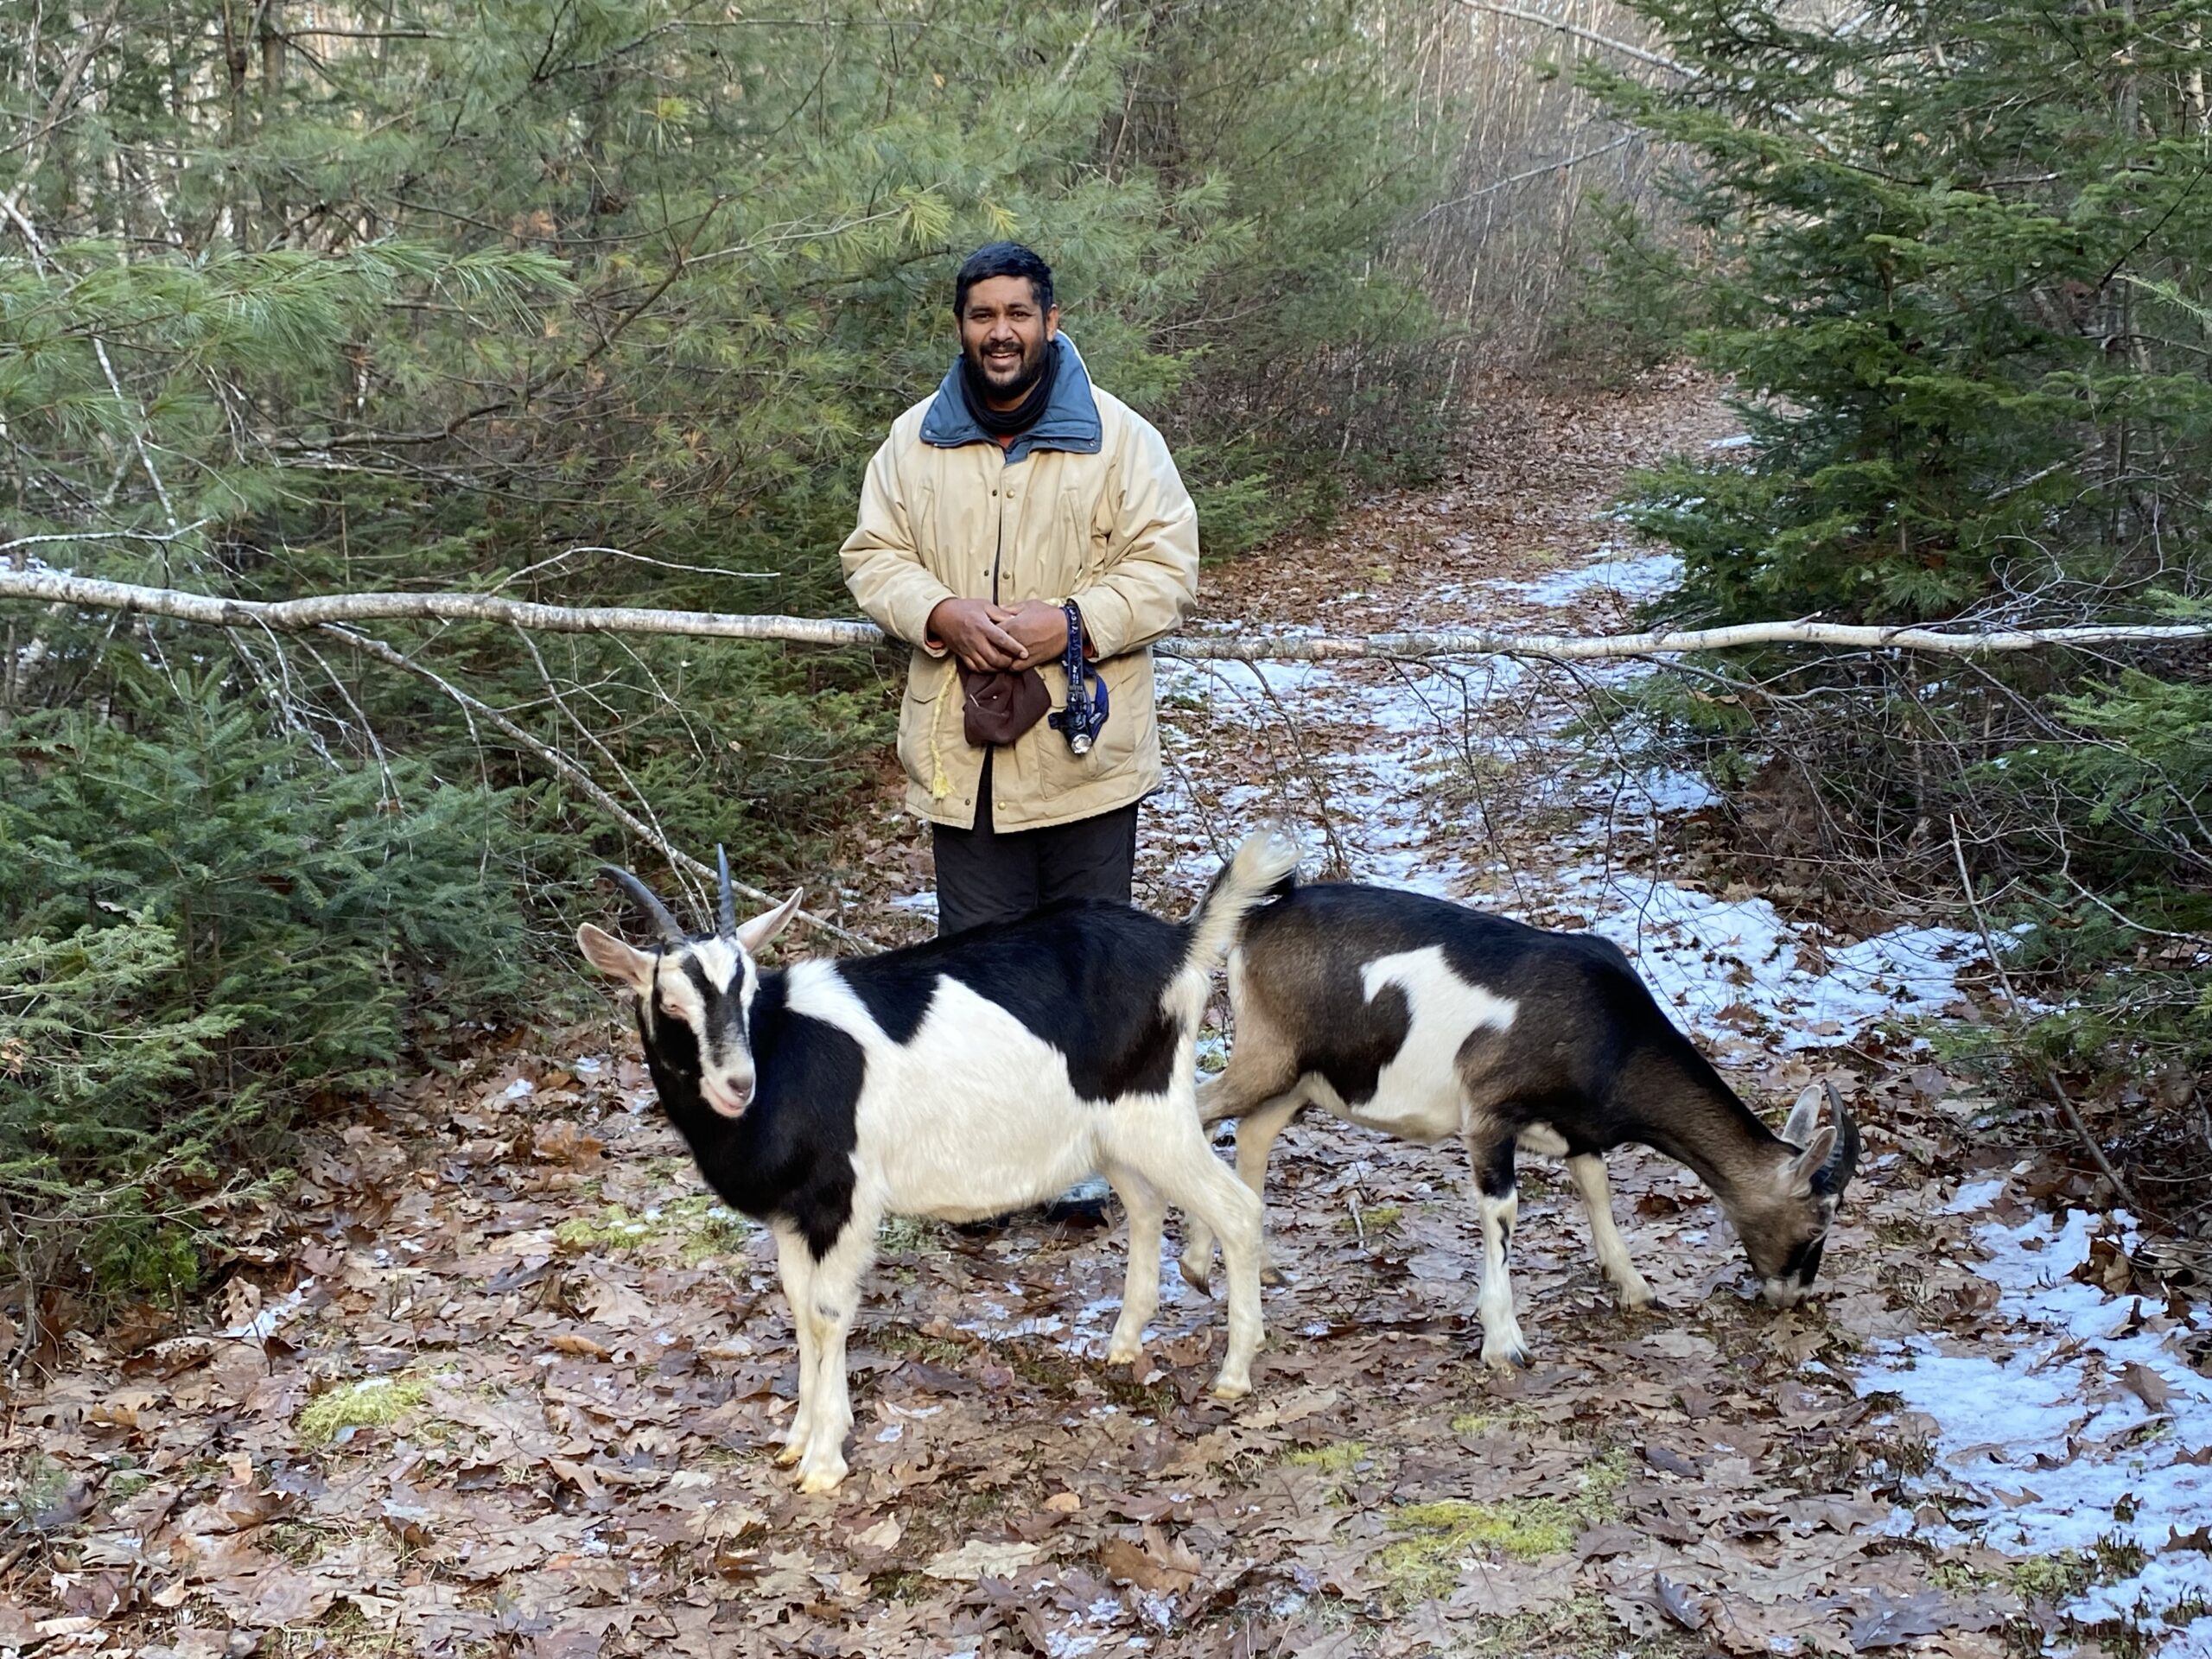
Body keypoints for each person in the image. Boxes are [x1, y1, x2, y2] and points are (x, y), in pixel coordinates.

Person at [840, 242, 1199, 940]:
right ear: (961, 326)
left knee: (1090, 978)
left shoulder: (1120, 439)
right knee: (983, 987)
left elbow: (1167, 568)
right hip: (963, 758)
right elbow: (874, 553)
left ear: (1050, 321)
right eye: (982, 315)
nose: (1000, 331)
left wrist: (1072, 624)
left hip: (1087, 755)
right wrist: (940, 613)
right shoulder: (912, 441)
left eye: (1017, 314)